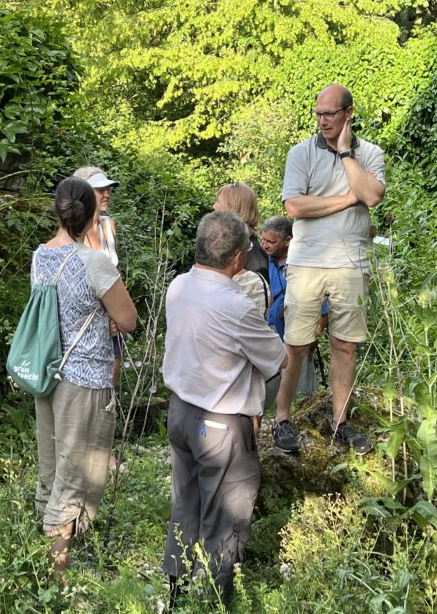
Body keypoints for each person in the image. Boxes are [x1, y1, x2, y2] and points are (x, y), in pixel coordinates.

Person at [162, 211, 286, 607]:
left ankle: (178, 594)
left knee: (185, 506)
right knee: (225, 522)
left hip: (180, 413)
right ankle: (212, 601)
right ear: (237, 259)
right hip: (221, 424)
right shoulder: (236, 305)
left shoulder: (178, 286)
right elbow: (277, 358)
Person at [32, 177, 138, 579]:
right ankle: (57, 574)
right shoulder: (94, 262)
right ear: (93, 213)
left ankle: (42, 555)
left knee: (52, 467)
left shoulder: (40, 255)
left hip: (49, 373)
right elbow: (128, 320)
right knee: (75, 473)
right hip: (87, 379)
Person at [273, 84, 386, 456]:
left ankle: (340, 421)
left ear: (348, 114)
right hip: (306, 262)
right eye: (318, 114)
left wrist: (345, 155)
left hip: (351, 262)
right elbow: (294, 207)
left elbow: (370, 195)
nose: (322, 121)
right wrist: (345, 200)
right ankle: (282, 419)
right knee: (297, 344)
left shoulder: (369, 153)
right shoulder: (299, 153)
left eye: (330, 114)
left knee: (345, 345)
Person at [73, 165, 126, 470]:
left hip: (111, 319)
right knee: (83, 385)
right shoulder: (71, 231)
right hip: (85, 321)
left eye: (108, 188)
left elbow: (114, 274)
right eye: (99, 189)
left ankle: (101, 448)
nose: (106, 193)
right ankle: (82, 447)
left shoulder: (108, 226)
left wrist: (118, 311)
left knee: (108, 385)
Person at [262, 215, 322, 397]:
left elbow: (322, 306)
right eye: (262, 240)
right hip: (272, 338)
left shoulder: (303, 264)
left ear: (288, 240)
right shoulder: (266, 262)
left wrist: (315, 335)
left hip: (299, 339)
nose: (265, 245)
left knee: (301, 393)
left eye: (271, 241)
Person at [213, 182, 269, 282]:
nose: (214, 206)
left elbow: (257, 293)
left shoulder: (252, 255)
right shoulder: (228, 245)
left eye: (218, 201)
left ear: (232, 208)